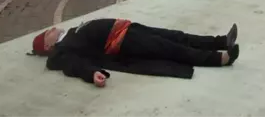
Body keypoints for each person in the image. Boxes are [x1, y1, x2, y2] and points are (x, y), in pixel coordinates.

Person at [29, 19, 240, 87]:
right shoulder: (62, 50)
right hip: (123, 41)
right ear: (48, 46)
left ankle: (220, 41)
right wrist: (92, 73)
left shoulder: (73, 32)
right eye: (47, 32)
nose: (51, 29)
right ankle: (219, 59)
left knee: (175, 36)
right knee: (170, 49)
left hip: (128, 28)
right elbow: (73, 65)